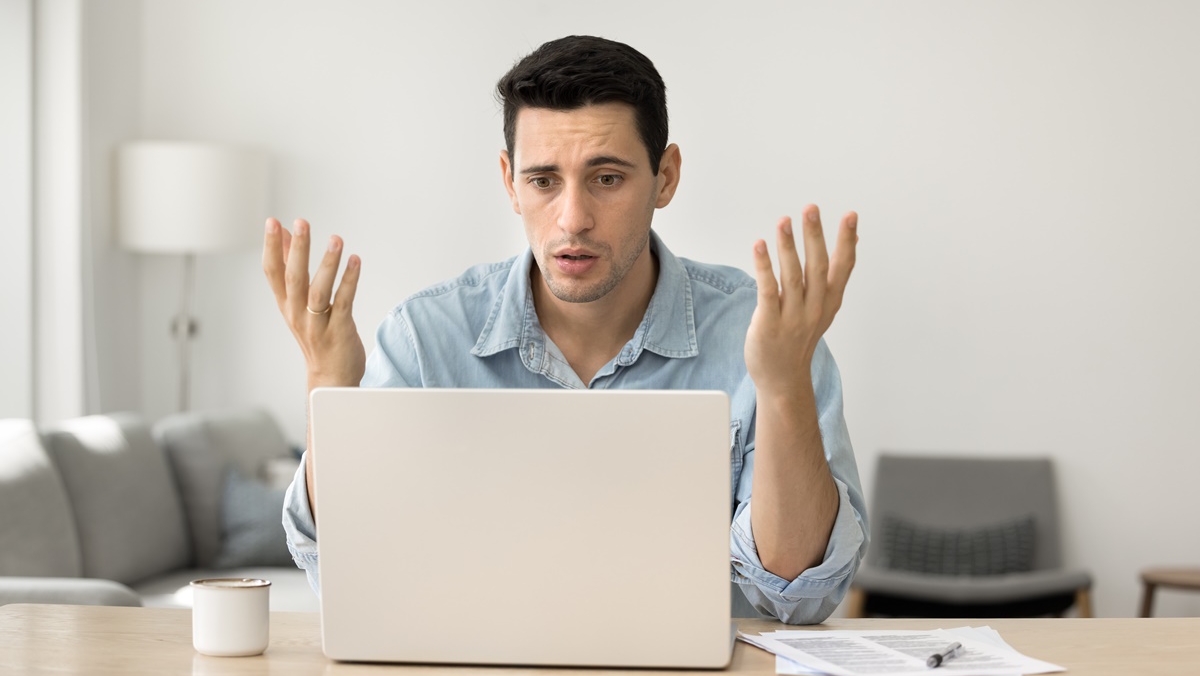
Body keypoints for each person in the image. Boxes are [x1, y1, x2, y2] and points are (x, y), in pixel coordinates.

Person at [263, 35, 867, 624]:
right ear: (510, 181)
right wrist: (327, 384)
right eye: (543, 181)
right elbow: (352, 577)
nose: (573, 219)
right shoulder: (422, 341)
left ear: (665, 177)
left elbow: (798, 596)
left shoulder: (770, 335)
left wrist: (783, 386)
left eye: (607, 179)